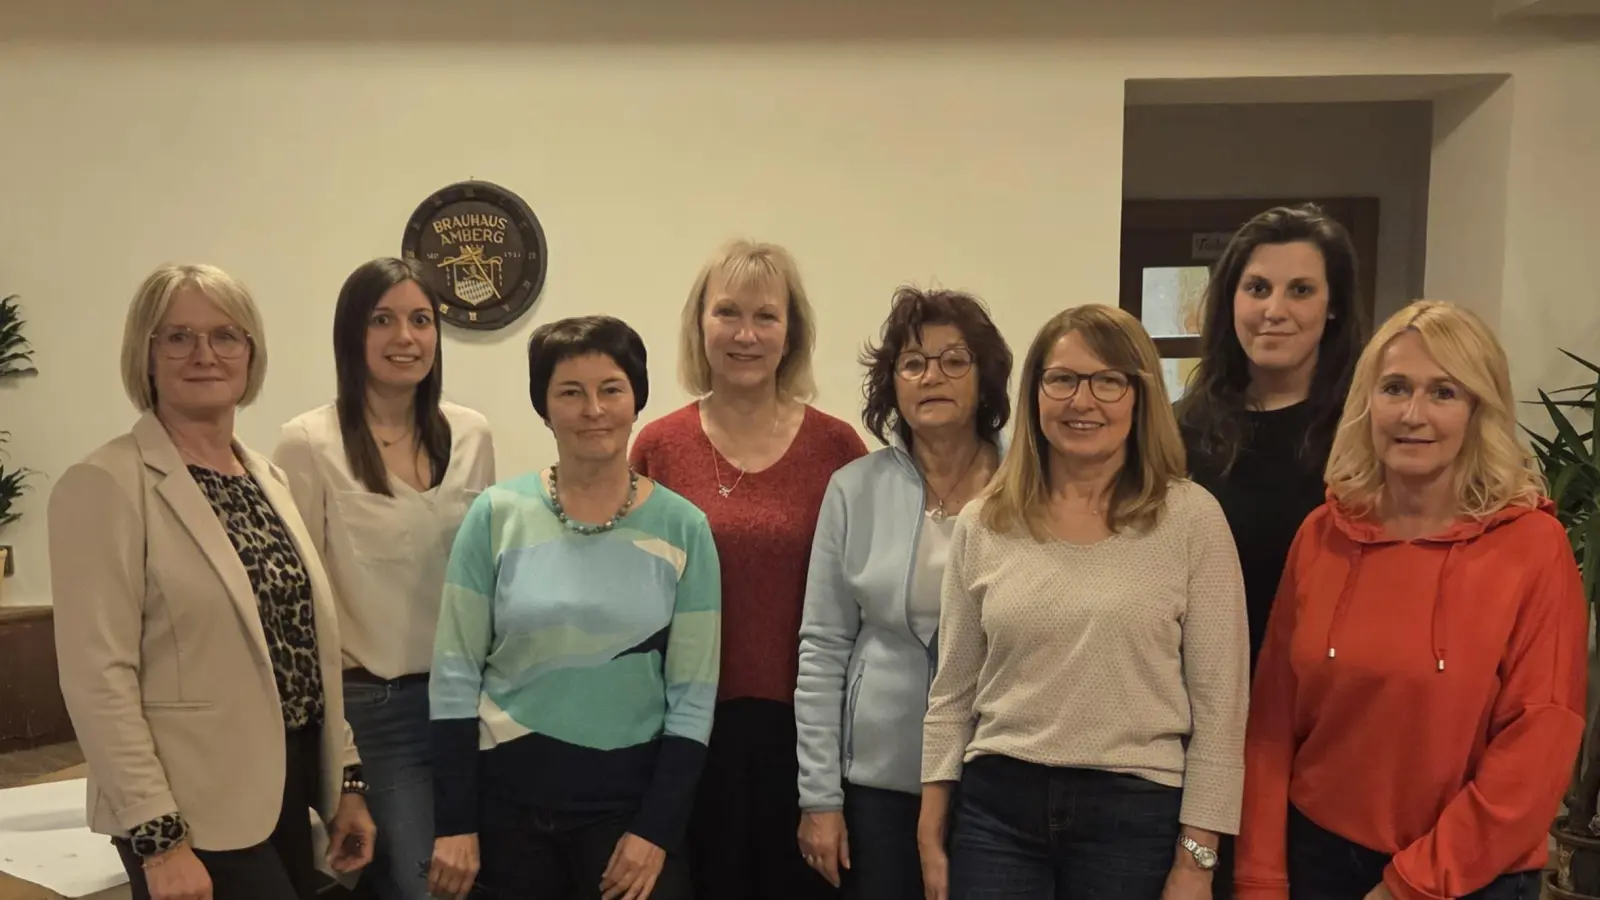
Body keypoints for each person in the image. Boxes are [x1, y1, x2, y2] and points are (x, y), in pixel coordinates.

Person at [1234, 300, 1587, 900]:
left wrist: (1410, 884)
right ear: (1367, 402)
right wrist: (1260, 878)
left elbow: (1540, 741)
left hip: (1471, 876)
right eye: (1395, 387)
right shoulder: (1321, 535)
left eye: (1443, 392)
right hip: (1316, 857)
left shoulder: (1533, 545)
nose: (1413, 414)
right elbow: (1270, 724)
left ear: (1478, 409)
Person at [49, 263, 375, 900]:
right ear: (146, 355)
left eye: (226, 335)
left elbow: (306, 651)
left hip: (284, 789)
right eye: (178, 337)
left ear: (251, 354)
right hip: (189, 811)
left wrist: (347, 783)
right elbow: (98, 677)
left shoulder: (267, 479)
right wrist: (159, 838)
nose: (204, 354)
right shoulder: (107, 483)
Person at [920, 303, 1249, 900]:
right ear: (1035, 393)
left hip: (1134, 818)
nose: (1082, 401)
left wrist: (1197, 861)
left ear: (1140, 396)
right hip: (998, 813)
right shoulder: (985, 521)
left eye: (1108, 381)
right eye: (1063, 379)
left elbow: (1221, 710)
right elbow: (952, 691)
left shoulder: (1192, 520)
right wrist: (930, 827)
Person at [426, 315, 721, 900]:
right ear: (544, 406)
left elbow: (692, 697)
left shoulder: (684, 528)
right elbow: (455, 675)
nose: (593, 410)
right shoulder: (496, 514)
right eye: (570, 392)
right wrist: (455, 822)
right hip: (506, 812)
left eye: (611, 389)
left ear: (636, 399)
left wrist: (656, 831)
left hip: (627, 817)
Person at [630, 238, 868, 900]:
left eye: (766, 316)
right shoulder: (657, 447)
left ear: (791, 332)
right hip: (688, 731)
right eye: (727, 312)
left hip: (809, 734)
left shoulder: (838, 448)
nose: (745, 334)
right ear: (699, 323)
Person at [272, 257, 496, 900]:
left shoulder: (471, 433)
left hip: (470, 702)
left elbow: (485, 577)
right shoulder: (308, 443)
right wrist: (342, 764)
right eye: (383, 320)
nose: (406, 337)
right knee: (428, 886)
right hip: (375, 709)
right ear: (352, 333)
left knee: (487, 875)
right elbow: (297, 612)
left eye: (421, 320)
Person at [1174, 204, 1368, 898]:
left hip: (1327, 734)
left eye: (1300, 290)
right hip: (1198, 732)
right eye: (1257, 288)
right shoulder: (1179, 433)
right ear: (1230, 301)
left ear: (1334, 307)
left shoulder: (1368, 433)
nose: (1274, 310)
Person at [795, 287, 1013, 899]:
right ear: (892, 384)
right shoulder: (853, 489)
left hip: (998, 776)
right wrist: (819, 796)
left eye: (954, 360)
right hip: (879, 778)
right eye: (913, 363)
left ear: (985, 380)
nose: (932, 376)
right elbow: (823, 646)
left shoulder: (1024, 486)